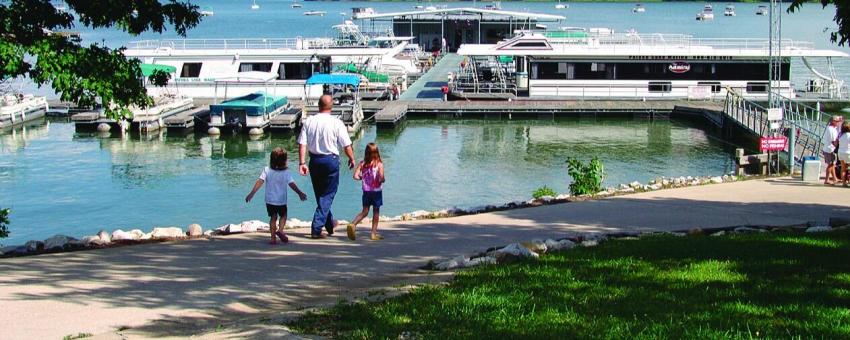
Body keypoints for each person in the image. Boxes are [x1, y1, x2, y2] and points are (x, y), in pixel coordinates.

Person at [297, 94, 356, 239]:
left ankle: (329, 224)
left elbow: (302, 143)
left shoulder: (309, 121)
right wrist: (351, 158)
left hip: (315, 161)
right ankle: (316, 228)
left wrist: (302, 162)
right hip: (330, 161)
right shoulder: (336, 122)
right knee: (328, 194)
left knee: (321, 194)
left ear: (319, 105)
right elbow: (346, 144)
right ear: (331, 106)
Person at [245, 147, 308, 245]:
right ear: (285, 161)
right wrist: (300, 193)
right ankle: (281, 230)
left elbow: (260, 181)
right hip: (281, 200)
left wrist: (252, 193)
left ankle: (273, 238)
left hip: (270, 200)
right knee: (283, 215)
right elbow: (292, 184)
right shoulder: (286, 172)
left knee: (273, 217)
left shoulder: (267, 170)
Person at [346, 143, 386, 241]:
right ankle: (373, 234)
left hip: (366, 191)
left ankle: (353, 224)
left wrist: (363, 178)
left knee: (365, 211)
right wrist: (382, 179)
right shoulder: (379, 164)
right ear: (377, 153)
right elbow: (381, 178)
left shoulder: (362, 163)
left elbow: (355, 176)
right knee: (376, 212)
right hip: (376, 192)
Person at [822, 115, 842, 185]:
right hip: (829, 149)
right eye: (837, 121)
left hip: (828, 148)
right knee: (830, 165)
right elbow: (834, 141)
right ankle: (826, 180)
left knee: (832, 164)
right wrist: (839, 147)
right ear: (833, 121)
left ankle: (834, 178)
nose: (838, 122)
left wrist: (840, 119)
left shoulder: (831, 128)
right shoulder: (831, 129)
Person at [838, 122, 850, 187]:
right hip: (848, 152)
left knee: (843, 168)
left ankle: (844, 183)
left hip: (840, 152)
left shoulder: (840, 135)